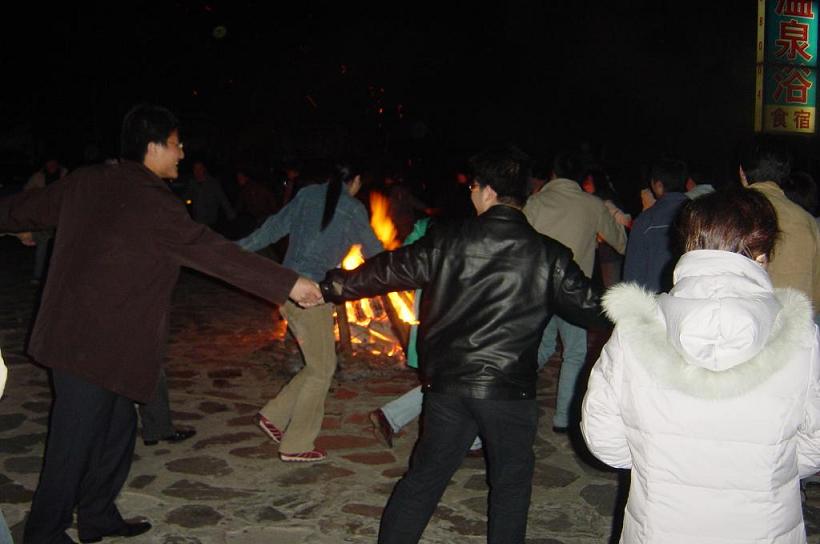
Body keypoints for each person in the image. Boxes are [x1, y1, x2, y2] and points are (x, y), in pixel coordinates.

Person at [0, 103, 321, 544]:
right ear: (152, 148)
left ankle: (96, 514)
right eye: (175, 144)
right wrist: (288, 283)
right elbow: (213, 252)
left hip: (103, 343)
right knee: (71, 445)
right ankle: (44, 532)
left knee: (117, 430)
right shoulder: (154, 203)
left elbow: (22, 210)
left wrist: (14, 224)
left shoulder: (88, 180)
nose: (182, 152)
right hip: (84, 344)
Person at [321, 145, 607, 543]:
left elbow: (389, 269)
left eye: (473, 186)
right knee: (510, 488)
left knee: (423, 480)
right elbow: (596, 308)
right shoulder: (549, 255)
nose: (471, 193)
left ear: (488, 191)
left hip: (448, 387)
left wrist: (334, 286)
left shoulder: (448, 240)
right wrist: (649, 312)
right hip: (510, 392)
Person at [581, 189, 820, 543]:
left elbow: (602, 435)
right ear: (762, 255)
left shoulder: (637, 328)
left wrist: (652, 463)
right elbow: (816, 441)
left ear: (688, 247)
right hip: (764, 528)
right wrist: (773, 468)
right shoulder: (799, 335)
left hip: (659, 527)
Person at [239, 163, 384, 462]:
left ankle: (274, 416)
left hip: (285, 288)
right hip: (311, 296)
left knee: (318, 364)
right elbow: (375, 254)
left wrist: (231, 252)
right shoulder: (353, 208)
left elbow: (270, 230)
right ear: (356, 180)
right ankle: (296, 444)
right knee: (322, 370)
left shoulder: (306, 195)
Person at [523, 152, 626, 431]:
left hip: (537, 290)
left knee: (540, 346)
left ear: (553, 174)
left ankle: (514, 387)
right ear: (583, 177)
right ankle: (563, 418)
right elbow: (620, 242)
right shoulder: (592, 205)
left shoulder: (536, 202)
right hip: (573, 291)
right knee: (575, 353)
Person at [739, 140, 820, 318]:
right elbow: (816, 295)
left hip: (739, 327)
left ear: (742, 173)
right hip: (794, 327)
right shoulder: (806, 220)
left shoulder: (727, 215)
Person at [622, 157, 690, 293]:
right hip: (693, 299)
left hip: (655, 300)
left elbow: (632, 275)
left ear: (658, 185)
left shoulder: (645, 221)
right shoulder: (701, 215)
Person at [24, 158, 67, 284]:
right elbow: (26, 191)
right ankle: (38, 275)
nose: (51, 165)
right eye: (49, 163)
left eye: (53, 163)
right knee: (42, 246)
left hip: (61, 216)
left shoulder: (66, 174)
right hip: (43, 217)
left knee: (60, 247)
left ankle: (59, 276)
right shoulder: (38, 177)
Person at [183, 160, 236, 228]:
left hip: (210, 220)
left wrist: (231, 214)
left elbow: (222, 199)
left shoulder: (213, 183)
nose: (197, 171)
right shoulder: (192, 183)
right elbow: (186, 197)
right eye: (195, 169)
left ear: (204, 169)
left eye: (200, 168)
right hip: (197, 219)